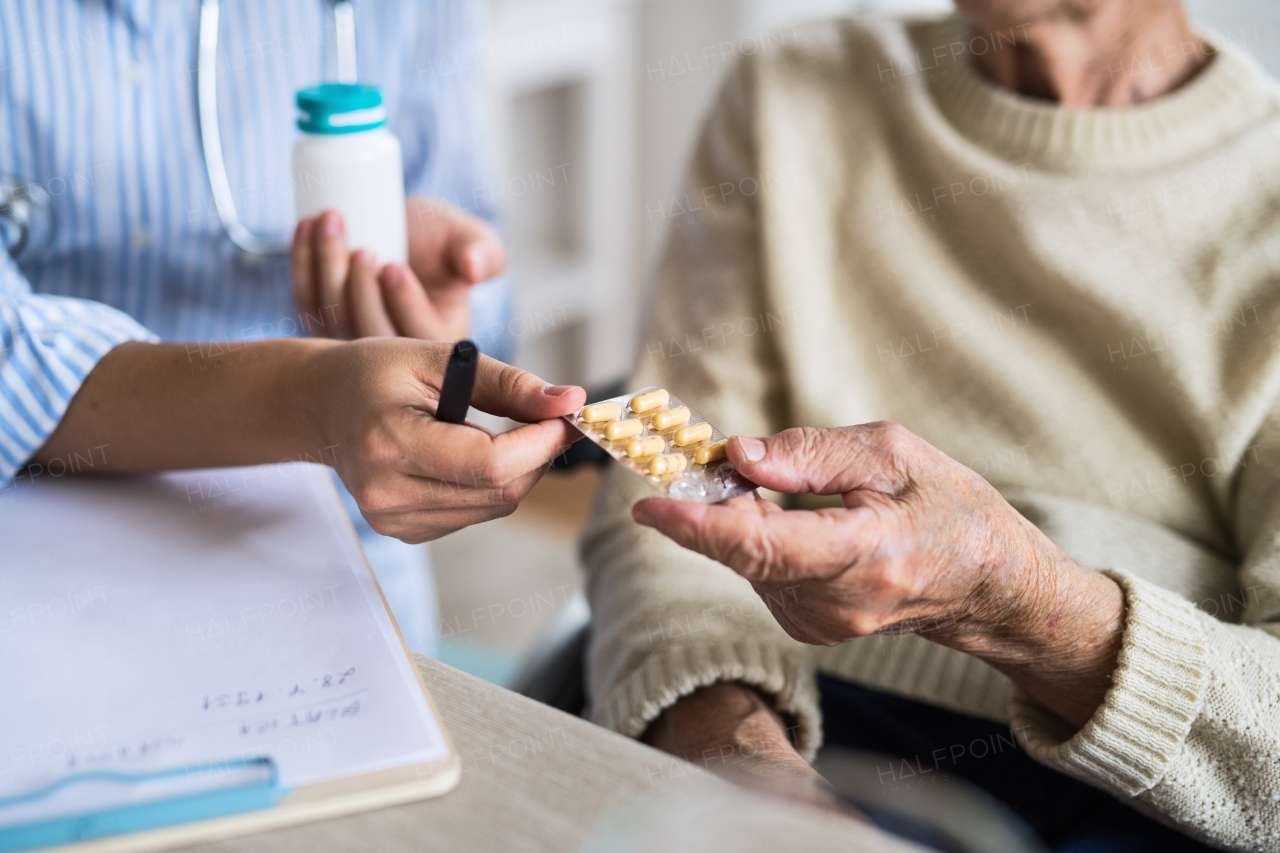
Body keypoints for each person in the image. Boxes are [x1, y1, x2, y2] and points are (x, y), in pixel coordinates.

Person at [581, 0, 1280, 850]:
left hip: (1171, 784)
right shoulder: (790, 89)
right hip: (780, 702)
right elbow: (664, 519)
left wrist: (1012, 595)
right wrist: (750, 774)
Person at [0, 0, 517, 654]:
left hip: (329, 531)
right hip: (39, 534)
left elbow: (489, 299)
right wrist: (310, 397)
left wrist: (440, 302)